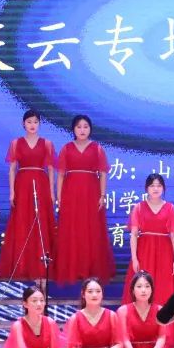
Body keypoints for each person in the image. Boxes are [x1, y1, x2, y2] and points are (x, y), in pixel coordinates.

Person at [53, 114, 114, 284]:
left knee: (91, 230)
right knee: (72, 229)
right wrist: (59, 197)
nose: (82, 130)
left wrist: (102, 195)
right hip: (71, 193)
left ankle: (90, 269)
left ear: (90, 129)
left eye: (85, 126)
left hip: (91, 193)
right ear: (73, 129)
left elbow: (103, 173)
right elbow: (61, 175)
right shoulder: (66, 148)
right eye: (79, 127)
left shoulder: (97, 149)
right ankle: (72, 268)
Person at [0, 109, 57, 284]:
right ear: (23, 123)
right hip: (22, 185)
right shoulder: (16, 143)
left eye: (35, 122)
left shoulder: (47, 144)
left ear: (39, 124)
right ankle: (22, 265)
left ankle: (41, 267)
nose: (32, 125)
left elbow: (51, 169)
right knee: (22, 222)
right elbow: (12, 169)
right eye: (29, 121)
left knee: (41, 223)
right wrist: (12, 192)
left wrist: (52, 192)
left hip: (41, 184)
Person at [122, 174, 174, 305]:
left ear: (163, 188)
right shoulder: (139, 207)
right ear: (146, 188)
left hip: (165, 251)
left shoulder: (170, 208)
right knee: (143, 282)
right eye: (152, 185)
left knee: (164, 284)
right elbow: (134, 234)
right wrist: (134, 258)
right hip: (144, 250)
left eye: (159, 185)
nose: (155, 189)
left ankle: (164, 316)